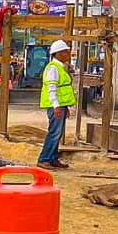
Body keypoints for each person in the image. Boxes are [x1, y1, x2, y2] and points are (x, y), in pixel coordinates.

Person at [37, 39, 75, 169]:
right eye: (65, 52)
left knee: (57, 133)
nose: (68, 54)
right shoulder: (53, 68)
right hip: (55, 106)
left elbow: (62, 89)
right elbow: (51, 88)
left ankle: (52, 158)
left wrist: (64, 106)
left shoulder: (60, 67)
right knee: (54, 133)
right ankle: (44, 159)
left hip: (60, 105)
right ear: (58, 53)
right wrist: (56, 106)